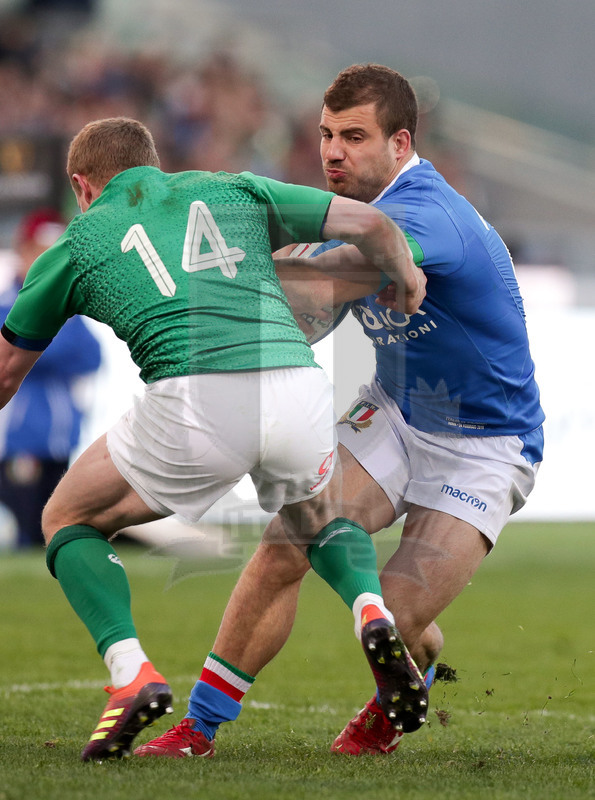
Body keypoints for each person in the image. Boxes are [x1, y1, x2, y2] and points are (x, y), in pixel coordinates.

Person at [135, 64, 544, 759]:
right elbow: (313, 309)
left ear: (400, 143)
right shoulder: (347, 207)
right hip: (396, 414)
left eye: (353, 137)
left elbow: (323, 290)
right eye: (326, 134)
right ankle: (196, 728)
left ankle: (397, 696)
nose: (332, 152)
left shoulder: (424, 216)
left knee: (395, 607)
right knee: (284, 542)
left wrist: (213, 270)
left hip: (485, 444)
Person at [0, 116, 427, 761]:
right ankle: (371, 609)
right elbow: (371, 225)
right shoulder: (234, 189)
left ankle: (130, 677)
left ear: (81, 187)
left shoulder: (78, 242)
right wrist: (407, 276)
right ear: (154, 163)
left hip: (197, 394)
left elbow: (7, 371)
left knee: (67, 516)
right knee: (313, 516)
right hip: (297, 381)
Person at [0, 208, 101, 548]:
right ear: (24, 251)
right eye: (42, 252)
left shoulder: (68, 310)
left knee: (53, 533)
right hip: (18, 442)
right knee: (26, 530)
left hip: (59, 440)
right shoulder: (6, 305)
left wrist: (35, 346)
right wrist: (45, 349)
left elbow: (91, 355)